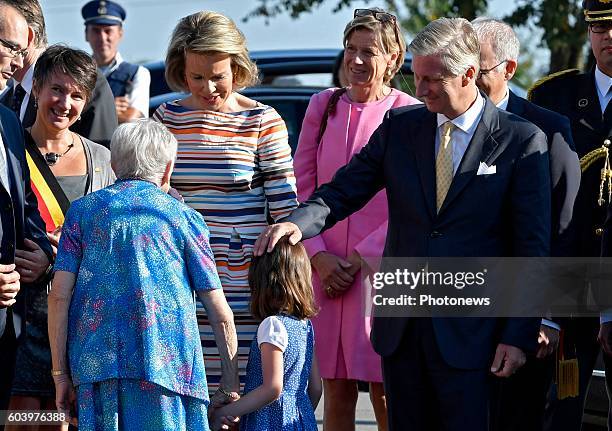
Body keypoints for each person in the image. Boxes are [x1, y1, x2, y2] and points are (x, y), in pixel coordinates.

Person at [255, 17, 552, 431]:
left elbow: (531, 249)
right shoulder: (401, 128)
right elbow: (343, 191)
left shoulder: (521, 140)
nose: (422, 89)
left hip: (474, 335)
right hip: (403, 332)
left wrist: (518, 333)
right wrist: (297, 225)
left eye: (434, 79)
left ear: (469, 74)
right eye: (417, 77)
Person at [47, 119, 239, 430]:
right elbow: (219, 311)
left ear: (113, 162)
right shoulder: (184, 219)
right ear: (167, 169)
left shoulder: (81, 213)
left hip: (97, 369)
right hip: (168, 371)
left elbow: (59, 296)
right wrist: (229, 386)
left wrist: (60, 374)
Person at [153, 11, 298, 397]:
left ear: (237, 67)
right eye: (196, 76)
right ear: (180, 70)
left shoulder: (262, 120)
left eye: (217, 76)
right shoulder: (166, 117)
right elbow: (151, 193)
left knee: (242, 391)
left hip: (245, 277)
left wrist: (284, 277)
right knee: (189, 385)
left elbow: (285, 210)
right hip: (180, 272)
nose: (208, 87)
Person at [293, 8, 419, 431]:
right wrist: (318, 257)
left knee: (388, 390)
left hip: (381, 273)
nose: (358, 60)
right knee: (336, 389)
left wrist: (365, 258)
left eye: (370, 51)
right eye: (351, 49)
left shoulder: (411, 111)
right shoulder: (322, 105)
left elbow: (416, 200)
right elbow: (303, 188)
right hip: (325, 272)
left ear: (393, 59)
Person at [471, 17, 581, 431]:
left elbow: (563, 232)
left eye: (478, 68)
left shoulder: (548, 128)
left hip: (523, 320)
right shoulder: (441, 125)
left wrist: (549, 316)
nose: (467, 78)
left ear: (508, 69)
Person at [4, 44, 115, 429]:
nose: (64, 103)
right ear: (35, 89)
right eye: (56, 89)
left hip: (79, 320)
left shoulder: (102, 159)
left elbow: (111, 242)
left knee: (62, 419)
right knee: (18, 417)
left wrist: (56, 259)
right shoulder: (7, 149)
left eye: (77, 95)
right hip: (21, 318)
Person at [529, 1, 612, 429]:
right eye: (600, 28)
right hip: (570, 276)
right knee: (561, 408)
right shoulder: (553, 97)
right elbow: (539, 203)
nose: (609, 38)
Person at [0, 0, 51, 420]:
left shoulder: (7, 121)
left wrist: (45, 253)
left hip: (7, 325)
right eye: (9, 47)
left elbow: (26, 206)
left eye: (21, 52)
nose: (17, 62)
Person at [210, 238, 321, 431]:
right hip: (300, 421)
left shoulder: (272, 325)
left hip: (268, 423)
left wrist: (228, 411)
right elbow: (316, 388)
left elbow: (272, 388)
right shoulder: (305, 327)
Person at [0, 0, 118, 148]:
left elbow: (101, 162)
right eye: (57, 90)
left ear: (28, 37)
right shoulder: (6, 100)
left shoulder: (86, 81)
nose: (65, 102)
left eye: (6, 44)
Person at [81, 0, 150, 123]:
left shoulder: (137, 73)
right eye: (96, 31)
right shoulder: (77, 72)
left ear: (120, 33)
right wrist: (109, 107)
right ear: (86, 34)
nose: (102, 38)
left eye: (108, 31)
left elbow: (132, 119)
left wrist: (86, 111)